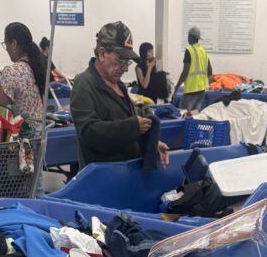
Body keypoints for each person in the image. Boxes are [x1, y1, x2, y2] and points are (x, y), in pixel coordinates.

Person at [70, 21, 169, 168]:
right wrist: (133, 127)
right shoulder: (84, 84)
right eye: (120, 60)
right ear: (102, 54)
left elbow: (127, 126)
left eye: (127, 62)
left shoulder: (119, 85)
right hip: (103, 179)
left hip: (126, 174)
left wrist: (151, 143)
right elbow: (89, 133)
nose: (125, 68)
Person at [0, 22, 45, 135]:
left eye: (5, 43)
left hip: (20, 138)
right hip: (39, 135)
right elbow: (23, 101)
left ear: (14, 43)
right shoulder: (35, 67)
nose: (6, 48)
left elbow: (0, 113)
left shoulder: (12, 72)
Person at [176, 26, 212, 112]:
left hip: (190, 91)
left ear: (191, 37)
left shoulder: (189, 50)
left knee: (184, 115)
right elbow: (210, 70)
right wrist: (209, 85)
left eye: (188, 35)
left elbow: (185, 72)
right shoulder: (203, 50)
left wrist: (176, 87)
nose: (188, 37)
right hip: (201, 90)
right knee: (195, 116)